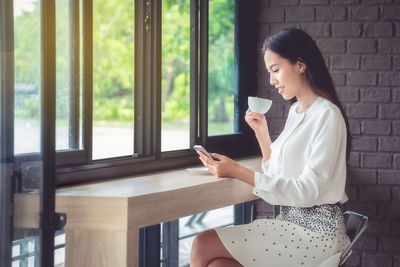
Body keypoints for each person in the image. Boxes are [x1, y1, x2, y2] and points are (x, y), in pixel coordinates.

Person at [190, 28, 352, 267]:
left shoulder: (327, 115)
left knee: (202, 244)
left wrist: (238, 171)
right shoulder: (296, 112)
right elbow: (282, 175)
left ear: (300, 64)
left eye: (276, 70)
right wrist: (262, 134)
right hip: (290, 223)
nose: (271, 80)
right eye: (269, 72)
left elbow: (307, 190)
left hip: (316, 233)